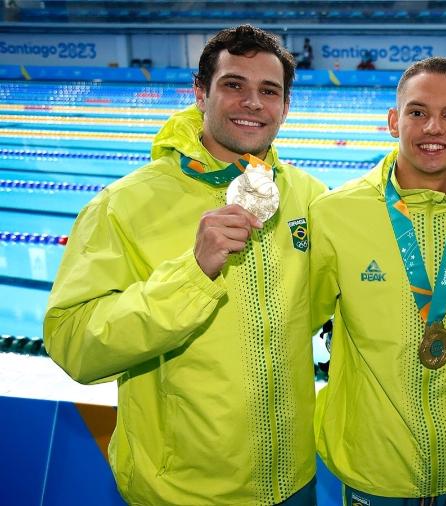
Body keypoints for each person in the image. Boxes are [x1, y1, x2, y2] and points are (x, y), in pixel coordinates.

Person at [42, 25, 326, 505]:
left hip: (293, 480)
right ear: (200, 93)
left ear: (285, 107)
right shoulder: (124, 205)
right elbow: (74, 345)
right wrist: (192, 274)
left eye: (268, 91)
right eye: (234, 85)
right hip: (184, 491)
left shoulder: (308, 198)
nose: (253, 103)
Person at [308, 57, 446, 503]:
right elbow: (293, 326)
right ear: (394, 121)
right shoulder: (335, 214)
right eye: (417, 112)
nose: (434, 128)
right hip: (370, 468)